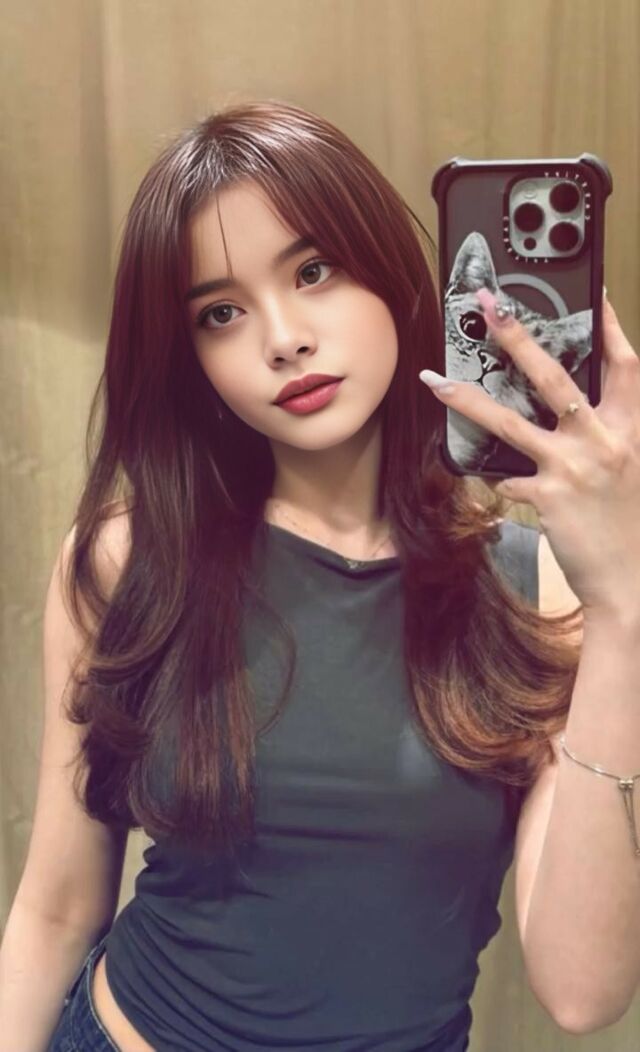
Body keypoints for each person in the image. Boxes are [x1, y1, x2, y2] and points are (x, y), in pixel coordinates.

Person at [1, 99, 585, 1052]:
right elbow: (57, 909)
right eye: (221, 313)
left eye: (314, 271)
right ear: (191, 359)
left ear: (390, 273)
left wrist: (626, 598)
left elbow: (584, 993)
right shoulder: (125, 560)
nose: (283, 337)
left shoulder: (541, 592)